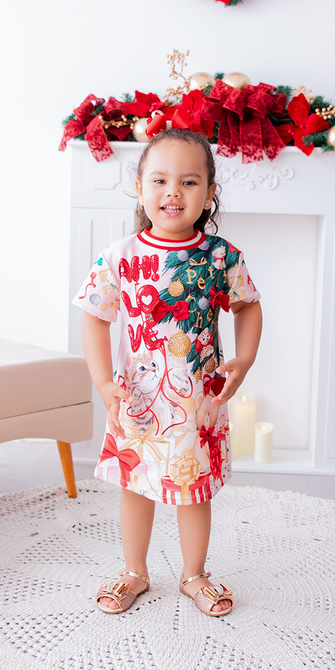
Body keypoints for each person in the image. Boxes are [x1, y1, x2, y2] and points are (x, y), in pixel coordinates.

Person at [73, 128, 262, 617]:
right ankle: (134, 571)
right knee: (137, 487)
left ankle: (194, 574)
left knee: (192, 490)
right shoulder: (119, 258)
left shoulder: (221, 257)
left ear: (209, 193)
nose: (173, 192)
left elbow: (248, 307)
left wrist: (243, 359)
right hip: (136, 401)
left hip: (197, 402)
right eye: (159, 180)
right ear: (140, 187)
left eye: (189, 181)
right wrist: (102, 382)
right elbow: (95, 318)